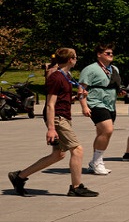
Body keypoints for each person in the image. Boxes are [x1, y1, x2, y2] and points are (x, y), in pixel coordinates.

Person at [7, 48, 99, 197]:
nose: (77, 59)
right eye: (75, 57)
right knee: (77, 149)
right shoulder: (56, 77)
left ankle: (19, 176)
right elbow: (50, 104)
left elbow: (62, 99)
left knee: (58, 154)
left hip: (64, 116)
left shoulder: (66, 75)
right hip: (57, 118)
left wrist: (77, 96)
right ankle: (76, 187)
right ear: (70, 59)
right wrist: (51, 128)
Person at [79, 43, 124, 175]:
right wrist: (84, 106)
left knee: (101, 133)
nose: (111, 55)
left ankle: (95, 162)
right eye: (107, 53)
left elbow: (114, 85)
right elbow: (82, 88)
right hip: (96, 102)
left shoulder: (114, 69)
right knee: (108, 130)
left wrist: (120, 91)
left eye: (112, 53)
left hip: (110, 104)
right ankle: (98, 161)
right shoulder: (90, 69)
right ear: (99, 55)